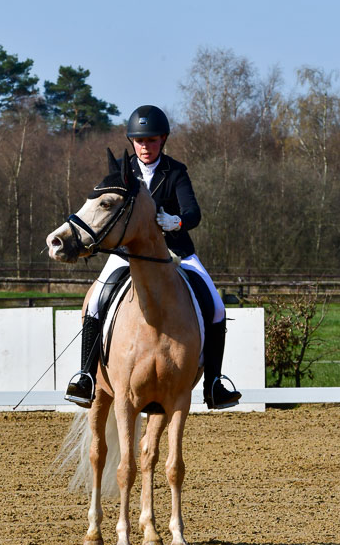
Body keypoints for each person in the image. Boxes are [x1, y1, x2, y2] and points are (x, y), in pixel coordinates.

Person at [65, 104, 241, 411]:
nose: (146, 146)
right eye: (140, 141)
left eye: (152, 140)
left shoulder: (175, 171)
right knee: (95, 302)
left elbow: (193, 212)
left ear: (163, 140)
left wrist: (177, 221)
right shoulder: (122, 172)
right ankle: (86, 376)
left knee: (216, 306)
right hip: (126, 252)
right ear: (132, 141)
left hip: (174, 250)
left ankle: (214, 382)